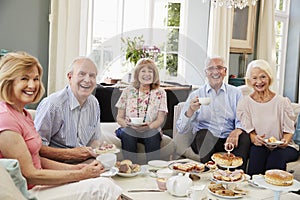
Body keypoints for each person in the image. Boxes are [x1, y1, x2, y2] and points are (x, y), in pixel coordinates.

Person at [0, 52, 122, 200]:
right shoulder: (6, 118)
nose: (32, 85)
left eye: (36, 79)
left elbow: (36, 158)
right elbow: (30, 174)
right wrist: (80, 173)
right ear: (8, 81)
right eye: (24, 78)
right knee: (104, 188)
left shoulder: (22, 114)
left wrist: (78, 168)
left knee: (105, 181)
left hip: (41, 180)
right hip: (26, 190)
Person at [176, 56, 250, 171]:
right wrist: (191, 110)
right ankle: (209, 174)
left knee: (244, 137)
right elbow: (180, 128)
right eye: (211, 69)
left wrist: (237, 130)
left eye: (219, 68)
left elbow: (243, 119)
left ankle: (237, 175)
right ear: (206, 73)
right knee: (204, 134)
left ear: (225, 71)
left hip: (228, 139)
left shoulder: (236, 93)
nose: (215, 72)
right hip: (204, 139)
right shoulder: (196, 94)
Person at [237, 59, 299, 176]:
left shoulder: (282, 102)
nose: (259, 82)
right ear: (250, 81)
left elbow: (289, 131)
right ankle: (254, 189)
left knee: (276, 155)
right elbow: (251, 133)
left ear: (269, 78)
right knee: (256, 152)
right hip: (261, 145)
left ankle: (274, 191)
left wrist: (284, 141)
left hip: (284, 147)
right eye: (254, 78)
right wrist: (255, 139)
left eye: (263, 77)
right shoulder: (245, 104)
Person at [34, 56, 101, 163]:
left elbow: (94, 140)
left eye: (92, 76)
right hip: (56, 163)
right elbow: (36, 147)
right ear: (70, 77)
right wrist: (71, 154)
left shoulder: (94, 103)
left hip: (85, 161)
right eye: (82, 74)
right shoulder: (53, 104)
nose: (87, 80)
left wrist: (99, 150)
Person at [115, 58, 168, 163]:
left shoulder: (161, 92)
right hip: (129, 128)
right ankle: (130, 168)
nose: (146, 74)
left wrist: (149, 127)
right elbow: (119, 118)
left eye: (150, 71)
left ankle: (153, 169)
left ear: (154, 74)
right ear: (137, 74)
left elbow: (160, 119)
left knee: (152, 134)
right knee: (128, 133)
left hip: (150, 129)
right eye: (143, 71)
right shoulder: (128, 91)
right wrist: (128, 125)